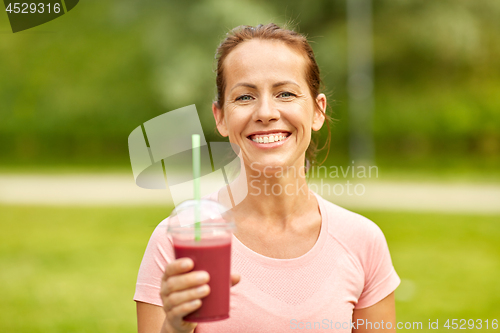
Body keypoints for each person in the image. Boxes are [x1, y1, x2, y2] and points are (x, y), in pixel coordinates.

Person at [134, 23, 400, 333]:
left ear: (317, 111)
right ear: (220, 117)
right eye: (245, 97)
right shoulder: (178, 238)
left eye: (285, 93)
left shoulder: (362, 241)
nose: (265, 112)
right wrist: (176, 327)